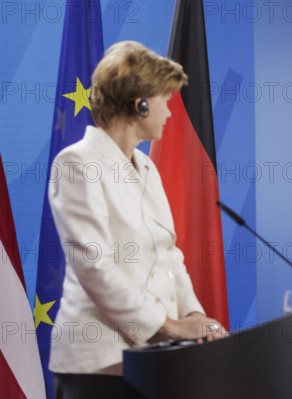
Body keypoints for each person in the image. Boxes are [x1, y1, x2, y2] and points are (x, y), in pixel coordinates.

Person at [48, 41, 227, 397]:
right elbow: (94, 266)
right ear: (139, 103)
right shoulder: (77, 163)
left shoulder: (147, 168)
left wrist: (192, 315)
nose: (170, 113)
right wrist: (169, 327)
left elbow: (169, 254)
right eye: (165, 100)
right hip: (99, 365)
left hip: (153, 360)